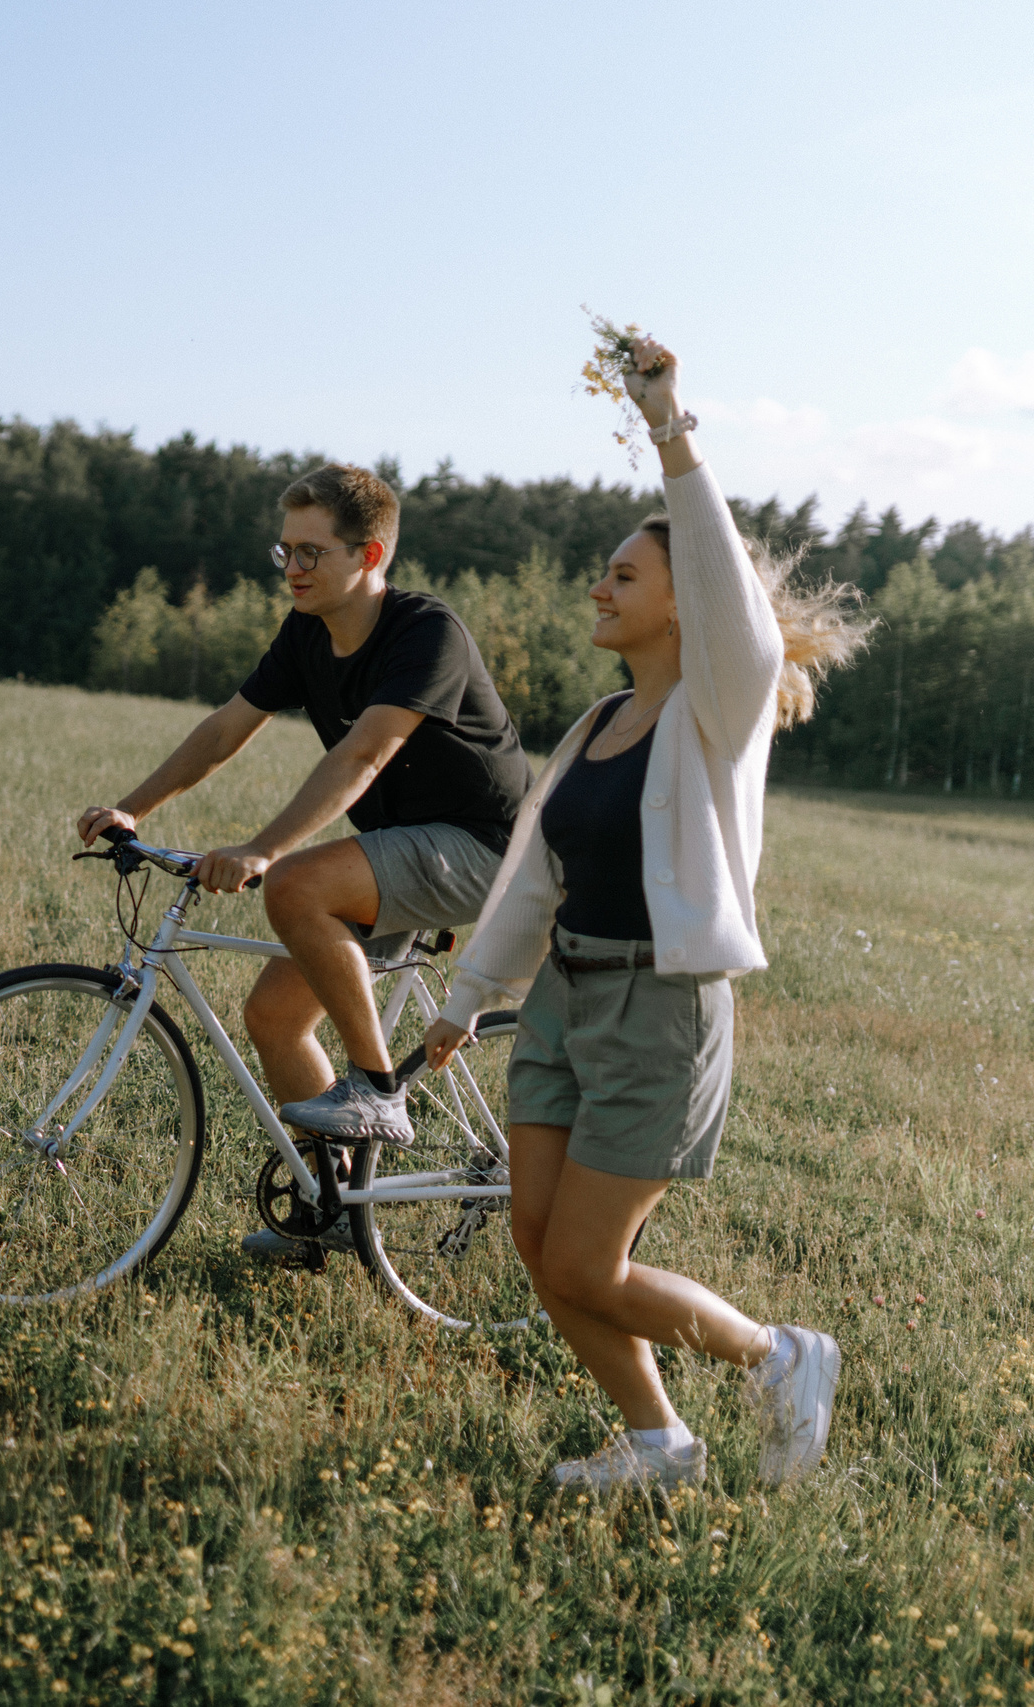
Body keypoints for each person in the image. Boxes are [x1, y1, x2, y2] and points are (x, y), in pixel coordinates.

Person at [421, 335, 869, 1491]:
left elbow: (746, 629)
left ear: (683, 609)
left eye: (624, 575)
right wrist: (471, 998)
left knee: (587, 1262)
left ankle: (778, 1356)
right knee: (536, 1242)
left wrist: (669, 425)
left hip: (660, 1012)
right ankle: (659, 1441)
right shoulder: (595, 726)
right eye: (604, 572)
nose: (599, 586)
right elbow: (534, 880)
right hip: (568, 998)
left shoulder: (716, 723)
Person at [76, 463, 532, 1255]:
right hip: (396, 853)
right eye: (284, 550)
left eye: (312, 552)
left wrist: (263, 849)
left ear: (371, 554)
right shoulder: (307, 634)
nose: (292, 568)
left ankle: (378, 1091)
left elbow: (364, 754)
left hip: (485, 848)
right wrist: (133, 807)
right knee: (276, 1017)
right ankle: (336, 1204)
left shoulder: (428, 632)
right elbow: (227, 726)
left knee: (296, 883)